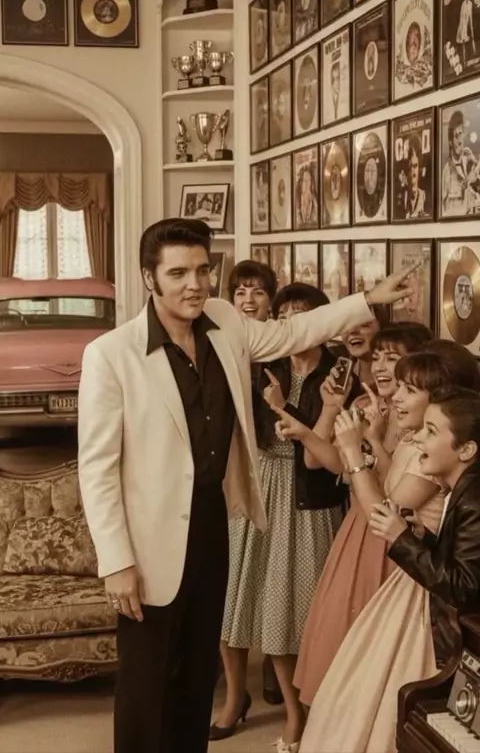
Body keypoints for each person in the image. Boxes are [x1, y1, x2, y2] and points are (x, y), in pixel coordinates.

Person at [77, 218, 411, 753]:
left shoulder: (226, 321)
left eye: (202, 270)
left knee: (196, 676)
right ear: (149, 278)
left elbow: (295, 332)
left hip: (214, 521)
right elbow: (96, 468)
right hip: (147, 538)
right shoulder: (111, 354)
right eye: (178, 273)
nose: (195, 284)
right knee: (146, 681)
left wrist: (367, 300)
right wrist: (115, 560)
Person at [298, 351, 477, 753]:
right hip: (411, 571)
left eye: (409, 389)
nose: (397, 395)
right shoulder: (444, 467)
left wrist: (354, 454)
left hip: (419, 586)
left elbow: (461, 583)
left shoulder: (461, 487)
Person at [213, 284, 362, 752]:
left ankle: (303, 713)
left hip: (307, 502)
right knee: (237, 602)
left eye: (303, 316)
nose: (292, 325)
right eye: (284, 317)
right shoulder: (263, 364)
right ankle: (245, 700)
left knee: (292, 613)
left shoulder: (339, 374)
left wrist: (282, 405)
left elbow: (318, 454)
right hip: (260, 487)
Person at [291, 323, 432, 708]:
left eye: (393, 357)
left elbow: (392, 496)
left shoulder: (420, 422)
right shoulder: (363, 406)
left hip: (391, 536)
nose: (382, 366)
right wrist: (322, 417)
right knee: (338, 631)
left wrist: (367, 444)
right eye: (378, 357)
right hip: (357, 530)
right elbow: (322, 462)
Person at [373, 386, 480, 667]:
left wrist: (401, 540)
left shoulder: (474, 501)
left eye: (431, 431)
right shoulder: (465, 491)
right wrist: (425, 539)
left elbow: (463, 589)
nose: (418, 438)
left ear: (466, 450)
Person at [226, 259, 283, 705]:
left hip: (279, 478)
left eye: (258, 292)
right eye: (240, 292)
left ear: (271, 302)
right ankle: (234, 695)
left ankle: (272, 671)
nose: (248, 300)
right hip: (234, 476)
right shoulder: (222, 346)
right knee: (232, 588)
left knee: (273, 585)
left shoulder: (285, 353)